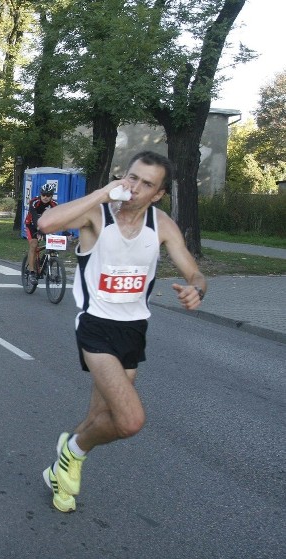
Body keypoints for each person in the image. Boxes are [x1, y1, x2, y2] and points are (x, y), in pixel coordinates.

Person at [35, 151, 206, 513]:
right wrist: (102, 193)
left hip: (134, 330)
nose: (135, 188)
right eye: (132, 178)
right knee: (130, 421)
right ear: (122, 177)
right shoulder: (97, 215)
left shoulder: (162, 225)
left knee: (103, 418)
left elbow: (194, 272)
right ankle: (72, 452)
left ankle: (59, 471)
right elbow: (46, 224)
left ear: (158, 193)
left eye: (147, 184)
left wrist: (197, 288)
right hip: (95, 325)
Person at [24, 182, 58, 285]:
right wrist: (39, 230)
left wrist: (66, 231)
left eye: (48, 195)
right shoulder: (34, 202)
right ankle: (31, 272)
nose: (45, 197)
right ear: (41, 194)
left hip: (45, 226)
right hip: (32, 225)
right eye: (43, 195)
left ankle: (48, 266)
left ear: (51, 196)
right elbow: (34, 217)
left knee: (53, 246)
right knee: (34, 244)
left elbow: (59, 218)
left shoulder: (54, 205)